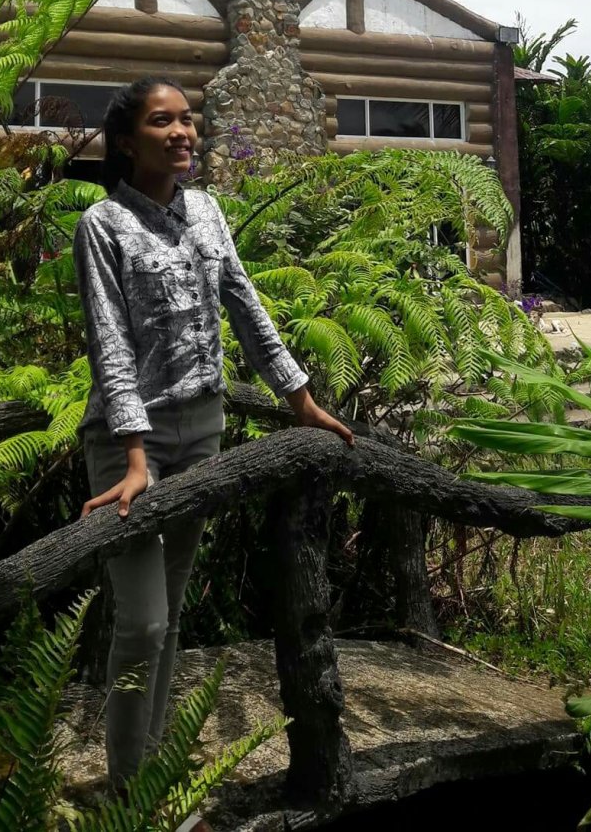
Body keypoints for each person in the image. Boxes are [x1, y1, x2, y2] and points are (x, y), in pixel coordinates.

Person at [74, 75, 354, 823]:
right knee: (141, 621)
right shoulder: (103, 225)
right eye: (161, 122)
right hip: (128, 446)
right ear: (127, 142)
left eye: (187, 119)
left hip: (202, 431)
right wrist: (136, 455)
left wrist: (300, 399)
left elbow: (246, 304)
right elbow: (109, 344)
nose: (182, 132)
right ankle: (128, 793)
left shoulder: (207, 211)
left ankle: (152, 771)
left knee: (171, 612)